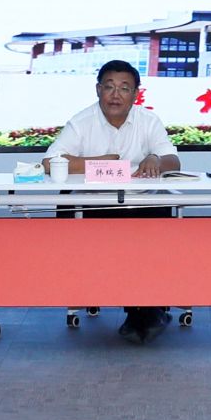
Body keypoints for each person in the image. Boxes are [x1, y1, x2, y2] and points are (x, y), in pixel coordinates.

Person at [44, 61, 179, 344]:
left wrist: (155, 159)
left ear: (135, 94)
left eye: (124, 88)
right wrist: (97, 162)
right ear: (98, 90)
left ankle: (142, 309)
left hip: (141, 204)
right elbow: (50, 161)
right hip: (95, 206)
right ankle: (143, 312)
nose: (115, 95)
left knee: (152, 228)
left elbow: (173, 160)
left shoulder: (148, 120)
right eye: (109, 87)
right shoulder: (82, 122)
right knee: (116, 237)